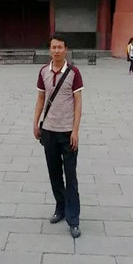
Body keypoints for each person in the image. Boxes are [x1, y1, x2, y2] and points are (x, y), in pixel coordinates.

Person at [33, 35, 83, 239]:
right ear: (49, 50)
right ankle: (60, 208)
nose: (56, 51)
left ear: (66, 49)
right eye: (53, 47)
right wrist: (35, 122)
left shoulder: (74, 73)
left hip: (67, 132)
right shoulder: (43, 71)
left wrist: (75, 130)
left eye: (60, 47)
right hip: (49, 131)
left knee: (71, 177)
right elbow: (40, 98)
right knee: (54, 174)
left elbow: (78, 102)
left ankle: (74, 219)